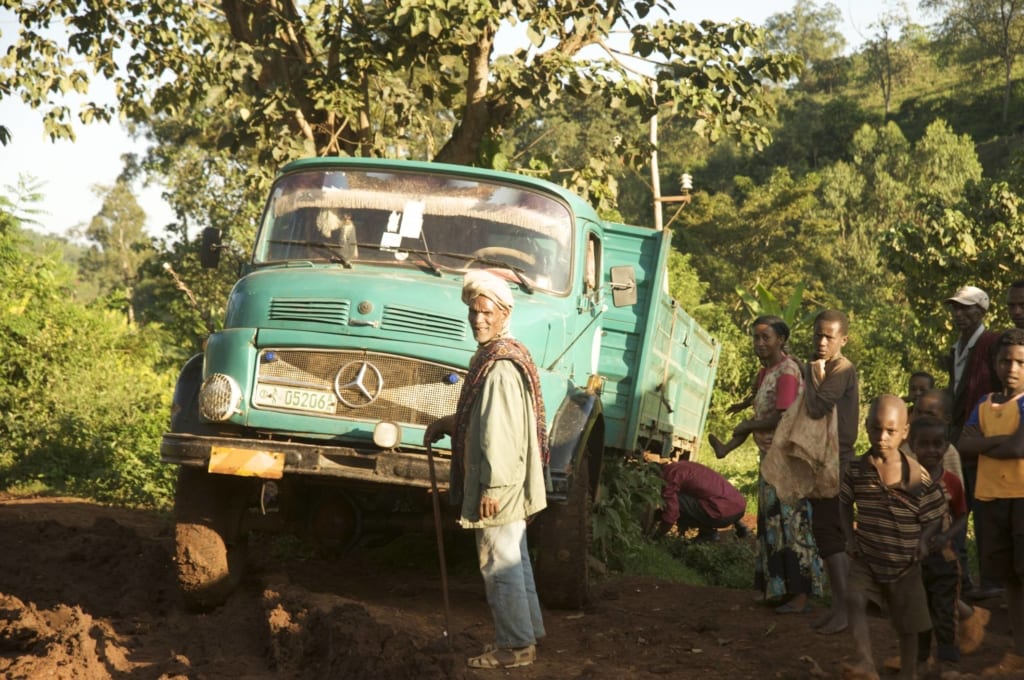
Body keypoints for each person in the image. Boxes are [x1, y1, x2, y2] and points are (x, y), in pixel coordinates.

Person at [423, 269, 548, 670]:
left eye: (486, 312)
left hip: (500, 483)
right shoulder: (500, 357)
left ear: (505, 312)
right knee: (515, 557)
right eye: (473, 312)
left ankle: (514, 647)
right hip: (508, 480)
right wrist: (449, 424)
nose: (478, 319)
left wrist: (492, 487)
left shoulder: (499, 367)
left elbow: (501, 433)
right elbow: (482, 417)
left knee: (499, 561)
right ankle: (527, 636)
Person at [709, 315, 822, 614]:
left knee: (791, 525)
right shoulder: (767, 372)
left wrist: (748, 423)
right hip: (770, 458)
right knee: (772, 525)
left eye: (766, 337)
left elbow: (781, 417)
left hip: (787, 460)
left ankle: (800, 595)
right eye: (756, 338)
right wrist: (746, 409)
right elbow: (762, 400)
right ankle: (776, 588)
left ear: (781, 340)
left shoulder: (787, 371)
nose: (759, 343)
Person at [839, 395, 947, 680]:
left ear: (905, 432)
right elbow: (844, 503)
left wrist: (923, 541)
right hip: (868, 557)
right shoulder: (857, 469)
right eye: (876, 429)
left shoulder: (917, 477)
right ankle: (864, 661)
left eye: (890, 431)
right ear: (866, 427)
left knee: (908, 626)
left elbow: (936, 514)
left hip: (905, 564)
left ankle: (909, 673)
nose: (882, 437)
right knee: (853, 598)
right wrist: (850, 539)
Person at [957, 328, 1024, 674]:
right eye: (1005, 360)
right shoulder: (984, 403)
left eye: (1020, 361)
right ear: (995, 364)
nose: (1011, 368)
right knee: (1010, 579)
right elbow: (962, 445)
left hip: (1021, 499)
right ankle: (1019, 653)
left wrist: (985, 443)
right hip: (991, 498)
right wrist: (999, 443)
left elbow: (1019, 448)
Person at [905, 415, 989, 675]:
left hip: (945, 560)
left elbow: (962, 514)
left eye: (937, 444)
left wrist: (947, 535)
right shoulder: (905, 481)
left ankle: (948, 662)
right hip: (914, 561)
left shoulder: (951, 481)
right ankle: (920, 660)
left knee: (944, 611)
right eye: (924, 444)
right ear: (912, 445)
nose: (931, 450)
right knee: (919, 613)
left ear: (945, 447)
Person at [803, 309, 860, 635]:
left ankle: (845, 610)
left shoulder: (840, 368)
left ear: (843, 339)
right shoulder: (829, 367)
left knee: (831, 534)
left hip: (837, 462)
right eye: (818, 336)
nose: (822, 342)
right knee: (826, 533)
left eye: (829, 337)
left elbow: (816, 406)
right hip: (824, 460)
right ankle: (840, 607)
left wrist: (810, 372)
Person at [945, 285, 1003, 601]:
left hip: (983, 439)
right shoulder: (957, 348)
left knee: (984, 512)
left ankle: (991, 581)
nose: (958, 314)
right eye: (955, 308)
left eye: (965, 308)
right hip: (960, 439)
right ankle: (962, 579)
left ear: (981, 311)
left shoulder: (991, 344)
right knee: (957, 507)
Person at [651, 458, 747, 543]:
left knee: (673, 501)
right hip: (738, 507)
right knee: (680, 499)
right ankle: (708, 532)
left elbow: (671, 513)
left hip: (721, 513)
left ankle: (708, 533)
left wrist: (655, 537)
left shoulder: (669, 476)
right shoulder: (683, 465)